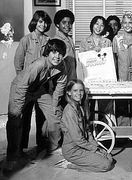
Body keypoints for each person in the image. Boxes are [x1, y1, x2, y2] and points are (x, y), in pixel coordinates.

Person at [4, 39, 67, 170]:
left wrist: (54, 104)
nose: (57, 56)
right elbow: (22, 85)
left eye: (60, 53)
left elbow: (60, 86)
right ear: (47, 53)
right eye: (54, 52)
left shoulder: (61, 66)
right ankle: (12, 156)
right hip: (21, 87)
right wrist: (19, 108)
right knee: (15, 120)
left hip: (38, 89)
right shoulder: (39, 64)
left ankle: (53, 147)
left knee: (55, 113)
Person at [13, 10, 52, 153]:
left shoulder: (49, 41)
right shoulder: (26, 40)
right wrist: (23, 80)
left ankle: (42, 144)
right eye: (40, 21)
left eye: (46, 22)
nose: (43, 24)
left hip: (42, 85)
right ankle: (21, 147)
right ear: (35, 22)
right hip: (27, 85)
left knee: (42, 116)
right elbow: (18, 62)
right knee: (25, 116)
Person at [59, 79, 114, 172]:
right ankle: (71, 165)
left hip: (83, 146)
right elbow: (78, 139)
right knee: (107, 165)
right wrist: (95, 150)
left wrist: (97, 147)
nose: (79, 93)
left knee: (109, 157)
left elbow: (88, 132)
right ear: (69, 92)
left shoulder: (80, 107)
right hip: (73, 151)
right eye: (75, 91)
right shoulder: (69, 111)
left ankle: (85, 160)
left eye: (81, 90)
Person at [112, 11, 132, 126]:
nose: (127, 25)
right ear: (121, 24)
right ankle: (122, 131)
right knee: (121, 105)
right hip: (121, 78)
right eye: (125, 23)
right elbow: (113, 59)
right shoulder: (117, 39)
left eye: (130, 22)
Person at [78, 16, 112, 119]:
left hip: (104, 80)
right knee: (88, 106)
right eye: (96, 24)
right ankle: (89, 130)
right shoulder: (84, 42)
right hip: (89, 79)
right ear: (92, 25)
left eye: (102, 25)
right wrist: (93, 52)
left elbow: (110, 61)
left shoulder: (107, 42)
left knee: (104, 107)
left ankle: (102, 130)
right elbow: (81, 61)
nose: (99, 27)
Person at [54, 9, 77, 82]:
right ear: (57, 24)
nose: (67, 25)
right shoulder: (56, 40)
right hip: (62, 80)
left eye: (69, 23)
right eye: (64, 22)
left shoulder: (70, 39)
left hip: (71, 77)